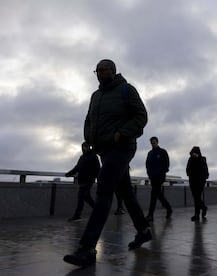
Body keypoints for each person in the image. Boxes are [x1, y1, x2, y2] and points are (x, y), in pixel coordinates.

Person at [63, 59, 151, 267]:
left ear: (113, 71)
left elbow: (141, 116)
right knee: (126, 192)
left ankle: (87, 248)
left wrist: (121, 134)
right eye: (97, 70)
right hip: (103, 149)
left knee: (103, 192)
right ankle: (144, 230)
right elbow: (88, 120)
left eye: (103, 70)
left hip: (122, 147)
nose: (99, 74)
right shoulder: (96, 96)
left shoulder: (126, 90)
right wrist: (90, 138)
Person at [65, 142, 100, 221]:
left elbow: (98, 169)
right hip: (82, 181)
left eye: (85, 147)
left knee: (82, 196)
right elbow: (77, 167)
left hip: (89, 181)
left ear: (88, 147)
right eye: (83, 147)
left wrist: (98, 179)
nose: (84, 148)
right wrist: (69, 174)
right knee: (86, 197)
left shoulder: (94, 156)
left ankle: (77, 215)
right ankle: (97, 211)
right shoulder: (82, 157)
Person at [145, 136, 173, 221]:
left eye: (154, 142)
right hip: (153, 177)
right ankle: (169, 209)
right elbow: (147, 164)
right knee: (158, 195)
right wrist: (149, 174)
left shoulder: (162, 152)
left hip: (160, 177)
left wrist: (162, 172)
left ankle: (150, 215)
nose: (153, 144)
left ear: (157, 142)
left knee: (153, 194)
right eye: (152, 143)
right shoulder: (150, 153)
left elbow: (167, 163)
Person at [186, 146, 209, 221]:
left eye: (195, 153)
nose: (194, 155)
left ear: (198, 153)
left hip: (200, 182)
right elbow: (187, 169)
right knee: (196, 198)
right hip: (192, 181)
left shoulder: (202, 159)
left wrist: (204, 178)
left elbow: (205, 170)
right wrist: (189, 174)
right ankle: (203, 208)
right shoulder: (190, 159)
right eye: (193, 153)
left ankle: (197, 214)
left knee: (196, 198)